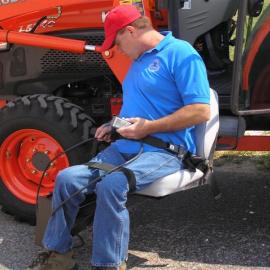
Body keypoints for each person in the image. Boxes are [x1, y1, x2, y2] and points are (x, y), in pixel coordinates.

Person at [27, 4, 210, 270]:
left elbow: (201, 110)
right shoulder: (137, 64)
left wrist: (148, 127)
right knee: (67, 179)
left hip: (165, 151)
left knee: (112, 184)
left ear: (131, 31)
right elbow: (134, 110)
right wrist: (113, 125)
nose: (116, 48)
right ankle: (58, 257)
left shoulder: (180, 53)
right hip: (126, 146)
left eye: (117, 41)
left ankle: (108, 264)